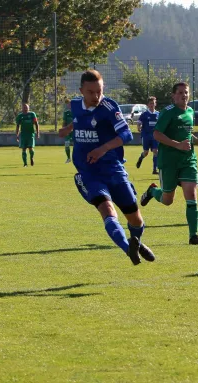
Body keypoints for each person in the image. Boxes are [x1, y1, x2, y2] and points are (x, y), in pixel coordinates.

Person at [57, 69, 155, 265]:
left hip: (114, 170)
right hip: (89, 173)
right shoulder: (75, 105)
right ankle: (128, 250)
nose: (96, 96)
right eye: (91, 92)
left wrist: (102, 149)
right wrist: (67, 129)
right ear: (81, 91)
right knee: (107, 209)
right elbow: (79, 120)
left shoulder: (110, 107)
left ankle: (136, 243)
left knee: (136, 220)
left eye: (99, 91)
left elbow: (126, 135)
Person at [140, 82, 198, 245]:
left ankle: (194, 236)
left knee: (191, 196)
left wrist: (196, 141)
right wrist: (177, 144)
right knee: (167, 200)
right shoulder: (167, 113)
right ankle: (152, 191)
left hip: (188, 160)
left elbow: (187, 134)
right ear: (173, 95)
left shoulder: (190, 111)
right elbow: (156, 134)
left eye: (186, 92)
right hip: (169, 161)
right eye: (180, 93)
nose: (184, 95)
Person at [136, 96, 160, 174]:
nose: (152, 105)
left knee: (156, 151)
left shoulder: (158, 114)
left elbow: (161, 124)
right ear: (148, 105)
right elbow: (139, 122)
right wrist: (139, 127)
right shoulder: (144, 114)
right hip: (146, 135)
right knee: (146, 153)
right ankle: (141, 158)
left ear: (155, 104)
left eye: (153, 103)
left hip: (155, 136)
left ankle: (154, 169)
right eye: (150, 103)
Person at [62, 98, 74, 163]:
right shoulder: (66, 113)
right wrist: (63, 130)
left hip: (75, 131)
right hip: (67, 131)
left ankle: (76, 157)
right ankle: (68, 158)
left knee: (76, 145)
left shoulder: (76, 112)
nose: (70, 105)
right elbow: (64, 122)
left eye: (71, 104)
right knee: (67, 144)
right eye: (69, 104)